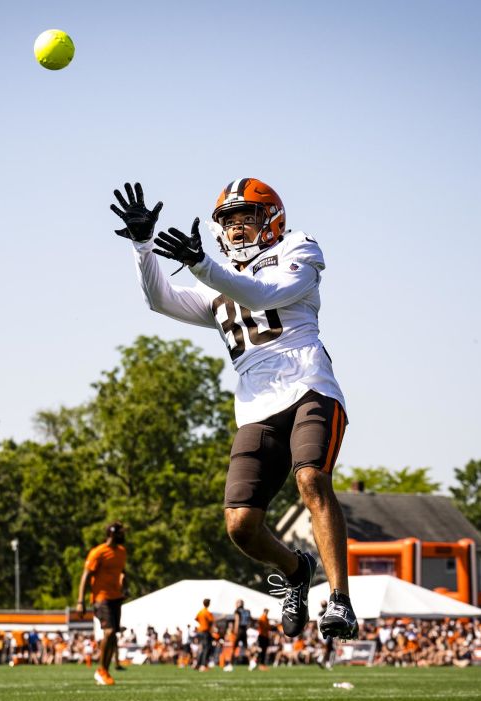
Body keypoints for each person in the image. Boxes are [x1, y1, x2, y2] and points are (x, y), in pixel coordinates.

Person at [110, 179, 357, 641]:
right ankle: (296, 569)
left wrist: (200, 264)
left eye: (246, 217)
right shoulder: (219, 278)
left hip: (308, 384)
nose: (236, 227)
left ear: (272, 220)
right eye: (228, 220)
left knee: (311, 478)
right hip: (256, 405)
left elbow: (262, 294)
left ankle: (339, 599)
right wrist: (143, 246)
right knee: (241, 526)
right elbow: (159, 300)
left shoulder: (298, 248)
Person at [76, 521, 127, 686]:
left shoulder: (121, 552)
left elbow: (121, 572)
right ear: (112, 534)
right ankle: (101, 670)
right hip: (101, 598)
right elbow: (85, 576)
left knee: (113, 637)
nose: (124, 535)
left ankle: (104, 670)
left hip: (116, 598)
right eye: (121, 533)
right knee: (109, 632)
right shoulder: (98, 552)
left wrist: (124, 587)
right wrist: (80, 601)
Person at [228, 599, 252, 670]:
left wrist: (235, 631)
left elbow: (237, 621)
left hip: (239, 630)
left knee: (234, 647)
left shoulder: (237, 611)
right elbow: (250, 620)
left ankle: (230, 664)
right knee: (246, 648)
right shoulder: (247, 611)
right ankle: (251, 663)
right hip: (244, 630)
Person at [194, 598, 216, 672]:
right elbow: (212, 621)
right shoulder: (207, 612)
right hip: (205, 632)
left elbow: (196, 618)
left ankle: (197, 664)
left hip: (199, 631)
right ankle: (203, 665)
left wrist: (201, 623)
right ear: (208, 604)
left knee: (202, 648)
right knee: (206, 649)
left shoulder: (200, 612)